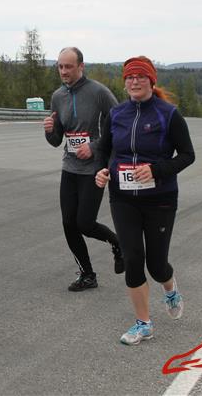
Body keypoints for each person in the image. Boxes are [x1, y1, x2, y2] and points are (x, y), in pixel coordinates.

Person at [95, 56, 195, 345]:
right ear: (124, 82)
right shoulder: (116, 114)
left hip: (159, 199)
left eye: (140, 76)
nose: (134, 81)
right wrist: (101, 170)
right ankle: (143, 323)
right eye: (129, 77)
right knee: (133, 258)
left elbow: (187, 155)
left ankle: (170, 287)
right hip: (122, 198)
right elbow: (103, 149)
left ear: (151, 81)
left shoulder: (168, 114)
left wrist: (156, 170)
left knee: (157, 264)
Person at [44, 47, 123, 292]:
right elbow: (56, 140)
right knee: (69, 224)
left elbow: (120, 125)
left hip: (94, 169)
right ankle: (87, 274)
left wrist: (94, 146)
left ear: (81, 66)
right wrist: (49, 131)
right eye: (60, 67)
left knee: (85, 224)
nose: (64, 71)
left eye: (68, 66)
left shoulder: (99, 92)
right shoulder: (58, 96)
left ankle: (118, 243)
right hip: (70, 167)